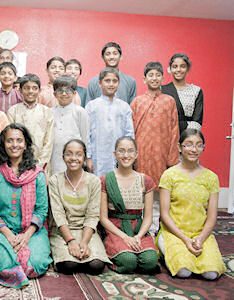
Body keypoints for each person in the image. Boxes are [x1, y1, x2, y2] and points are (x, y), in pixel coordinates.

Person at [0, 124, 52, 289]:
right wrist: (9, 235)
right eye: (9, 140)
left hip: (32, 231)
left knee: (36, 264)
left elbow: (41, 210)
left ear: (26, 144)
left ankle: (16, 266)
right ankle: (7, 261)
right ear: (3, 144)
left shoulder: (37, 174)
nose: (14, 145)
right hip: (0, 230)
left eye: (19, 140)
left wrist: (26, 236)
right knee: (1, 261)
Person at [157, 129, 226, 280]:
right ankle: (165, 252)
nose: (193, 149)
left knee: (211, 274)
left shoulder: (211, 178)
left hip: (201, 234)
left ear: (203, 148)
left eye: (198, 145)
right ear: (179, 147)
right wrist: (185, 239)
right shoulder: (169, 175)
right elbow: (164, 214)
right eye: (188, 145)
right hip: (173, 233)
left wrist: (200, 238)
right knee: (183, 271)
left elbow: (212, 216)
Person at [130, 62, 180, 235]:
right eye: (150, 75)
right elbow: (131, 130)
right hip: (141, 155)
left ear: (163, 78)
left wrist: (172, 159)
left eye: (157, 75)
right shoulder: (137, 102)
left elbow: (175, 131)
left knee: (158, 195)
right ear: (144, 79)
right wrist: (131, 157)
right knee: (140, 193)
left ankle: (154, 231)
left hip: (162, 154)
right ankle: (140, 229)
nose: (154, 78)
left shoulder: (169, 102)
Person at [49, 139, 111, 275]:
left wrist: (84, 242)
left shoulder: (94, 181)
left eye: (78, 154)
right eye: (69, 154)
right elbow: (58, 214)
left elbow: (92, 215)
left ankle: (85, 250)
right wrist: (71, 241)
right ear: (63, 157)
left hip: (87, 231)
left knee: (96, 266)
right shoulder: (55, 180)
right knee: (69, 266)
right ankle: (68, 254)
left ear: (84, 157)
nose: (73, 158)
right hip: (62, 232)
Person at [100, 136, 159, 273]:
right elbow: (103, 218)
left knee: (150, 262)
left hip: (139, 230)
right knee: (128, 262)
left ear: (136, 154)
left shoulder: (146, 180)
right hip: (115, 230)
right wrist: (125, 237)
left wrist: (138, 236)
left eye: (130, 151)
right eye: (121, 151)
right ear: (115, 154)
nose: (126, 155)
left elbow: (148, 217)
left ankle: (136, 249)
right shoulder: (106, 180)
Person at [86, 67, 134, 177]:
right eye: (107, 81)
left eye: (114, 81)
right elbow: (86, 134)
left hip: (121, 157)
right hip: (97, 157)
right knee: (99, 186)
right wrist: (88, 157)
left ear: (118, 83)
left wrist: (129, 155)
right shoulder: (92, 106)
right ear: (99, 83)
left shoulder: (124, 107)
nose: (111, 84)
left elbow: (129, 134)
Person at [7, 74, 54, 173]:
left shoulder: (47, 112)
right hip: (18, 165)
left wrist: (39, 164)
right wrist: (20, 163)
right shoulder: (13, 111)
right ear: (20, 90)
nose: (30, 91)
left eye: (34, 88)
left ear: (40, 91)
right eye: (26, 88)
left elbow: (49, 141)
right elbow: (10, 140)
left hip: (42, 166)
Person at [50, 76, 92, 176]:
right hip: (55, 158)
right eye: (60, 91)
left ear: (74, 93)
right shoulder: (50, 112)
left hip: (74, 158)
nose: (64, 94)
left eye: (68, 90)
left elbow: (85, 138)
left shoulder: (80, 112)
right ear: (55, 94)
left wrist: (86, 159)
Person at [161, 53, 203, 134]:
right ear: (170, 69)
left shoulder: (196, 91)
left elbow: (197, 120)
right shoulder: (162, 90)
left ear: (187, 68)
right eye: (175, 66)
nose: (178, 70)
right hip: (166, 135)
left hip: (188, 136)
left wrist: (187, 139)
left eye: (182, 66)